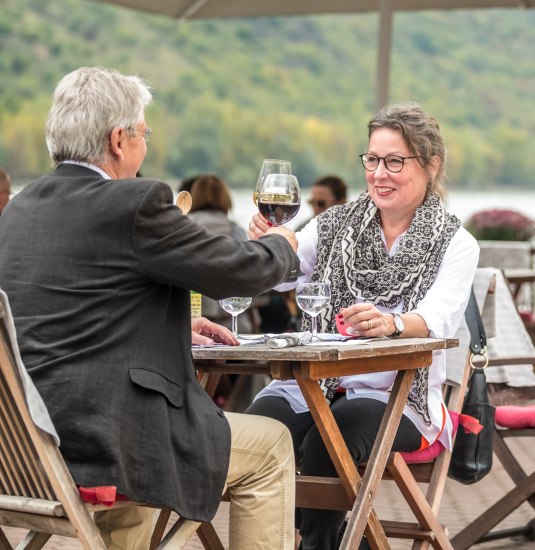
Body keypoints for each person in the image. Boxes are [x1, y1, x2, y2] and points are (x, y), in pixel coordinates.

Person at [0, 66, 300, 550]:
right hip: (104, 445)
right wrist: (284, 245)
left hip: (18, 450)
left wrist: (174, 325)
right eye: (144, 133)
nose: (146, 145)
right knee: (271, 448)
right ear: (119, 139)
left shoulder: (21, 207)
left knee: (136, 501)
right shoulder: (134, 203)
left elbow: (73, 311)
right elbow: (237, 272)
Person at [246, 102, 480, 550]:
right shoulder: (334, 224)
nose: (379, 173)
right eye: (372, 160)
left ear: (431, 166)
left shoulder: (456, 242)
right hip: (310, 383)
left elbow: (438, 317)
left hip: (397, 396)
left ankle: (317, 544)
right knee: (258, 430)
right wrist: (267, 246)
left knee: (330, 437)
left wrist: (392, 323)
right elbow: (282, 274)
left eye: (395, 161)